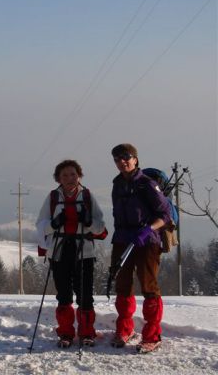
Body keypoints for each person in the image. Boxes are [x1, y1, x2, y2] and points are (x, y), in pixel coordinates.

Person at [35, 160, 107, 348]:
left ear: (79, 176)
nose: (69, 178)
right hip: (59, 251)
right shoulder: (52, 197)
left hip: (84, 251)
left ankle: (86, 333)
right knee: (64, 294)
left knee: (85, 295)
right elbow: (40, 225)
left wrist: (88, 221)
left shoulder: (88, 196)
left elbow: (100, 227)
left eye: (73, 174)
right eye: (65, 175)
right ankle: (66, 333)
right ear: (58, 178)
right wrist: (54, 224)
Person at [109, 143, 172, 353]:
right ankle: (125, 329)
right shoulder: (117, 184)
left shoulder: (147, 184)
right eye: (117, 159)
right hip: (122, 239)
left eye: (126, 157)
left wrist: (147, 230)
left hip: (147, 242)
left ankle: (152, 335)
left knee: (149, 287)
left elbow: (165, 216)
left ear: (136, 159)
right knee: (123, 285)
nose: (122, 162)